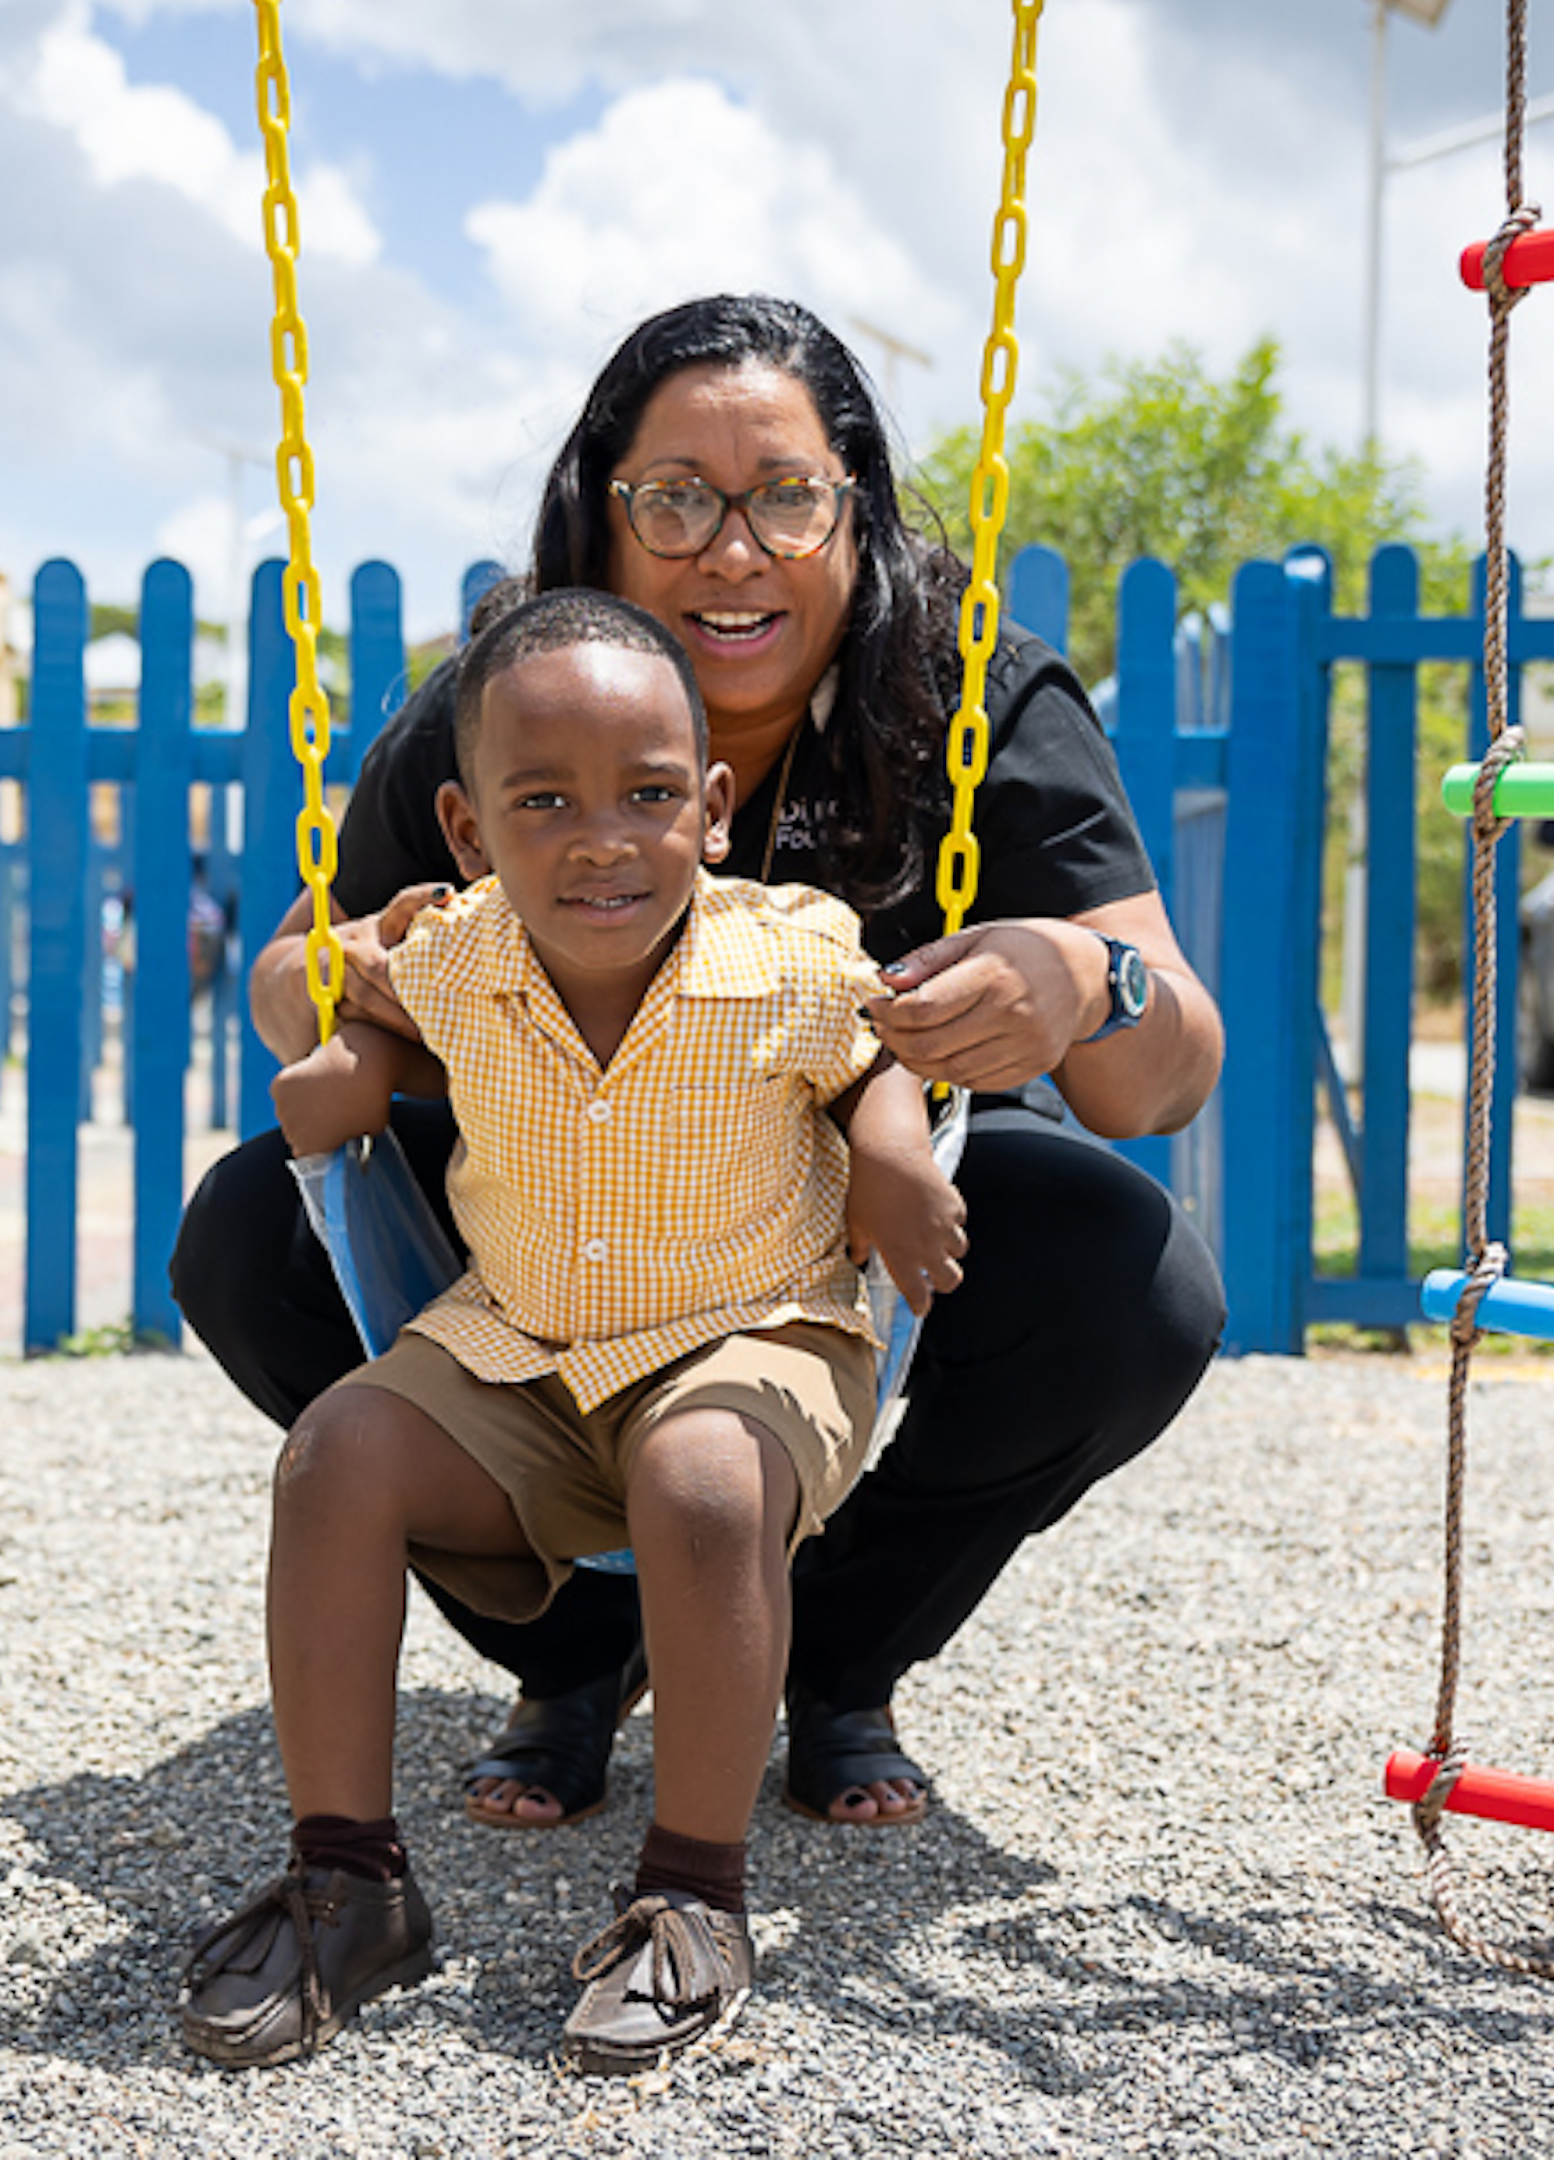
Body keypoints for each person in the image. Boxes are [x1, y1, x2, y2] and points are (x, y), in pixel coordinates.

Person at [170, 294, 1229, 1831]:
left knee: (1136, 1284)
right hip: (544, 1237)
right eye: (674, 500)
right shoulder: (511, 697)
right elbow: (291, 984)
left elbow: (1160, 1080)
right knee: (251, 1229)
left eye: (787, 497)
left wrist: (1085, 975)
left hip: (845, 1262)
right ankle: (575, 1650)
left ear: (854, 512)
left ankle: (841, 1661)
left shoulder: (973, 689)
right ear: (596, 524)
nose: (733, 551)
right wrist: (359, 974)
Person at [176, 590, 966, 2072]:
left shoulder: (789, 953)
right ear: (470, 834)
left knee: (704, 1482)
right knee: (337, 1458)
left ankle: (692, 1898)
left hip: (757, 1339)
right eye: (547, 801)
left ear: (712, 809)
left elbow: (875, 1057)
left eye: (649, 795)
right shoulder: (458, 950)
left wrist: (898, 1156)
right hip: (522, 1349)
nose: (604, 838)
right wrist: (345, 1059)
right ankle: (350, 1879)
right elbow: (348, 1013)